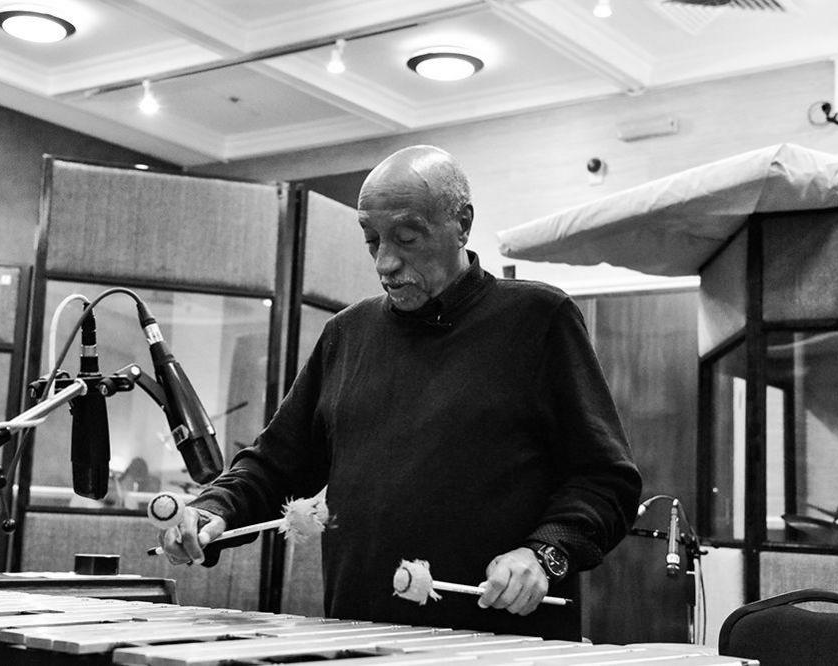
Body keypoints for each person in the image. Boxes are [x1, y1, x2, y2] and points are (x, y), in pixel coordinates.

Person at [161, 145, 641, 640]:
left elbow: (605, 480)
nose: (385, 263)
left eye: (407, 238)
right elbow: (275, 464)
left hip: (499, 642)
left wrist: (545, 553)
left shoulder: (539, 320)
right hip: (357, 636)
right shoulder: (347, 335)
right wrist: (213, 510)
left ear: (462, 223)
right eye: (372, 242)